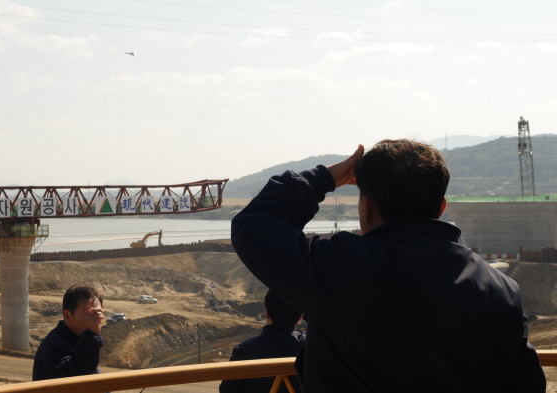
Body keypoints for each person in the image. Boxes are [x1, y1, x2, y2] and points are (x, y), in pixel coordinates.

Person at [231, 140, 546, 393]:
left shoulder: (346, 268)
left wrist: (325, 177)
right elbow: (526, 383)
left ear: (367, 207)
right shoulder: (501, 289)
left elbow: (255, 227)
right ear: (441, 207)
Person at [219, 290, 304, 393]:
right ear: (300, 317)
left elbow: (228, 390)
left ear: (266, 313)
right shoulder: (309, 347)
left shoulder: (243, 352)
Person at [32, 285, 106, 381]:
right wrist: (91, 336)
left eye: (97, 314)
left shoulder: (82, 339)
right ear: (67, 315)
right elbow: (72, 379)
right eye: (88, 314)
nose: (94, 320)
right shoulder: (55, 345)